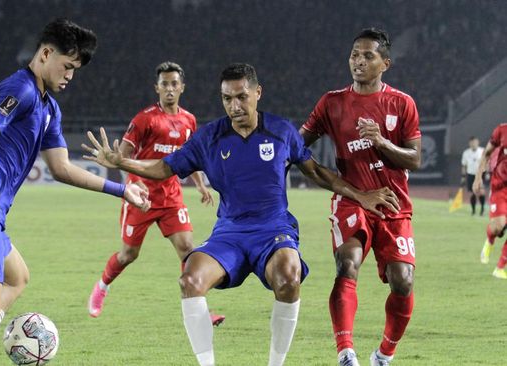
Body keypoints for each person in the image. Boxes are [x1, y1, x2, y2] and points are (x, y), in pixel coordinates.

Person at [84, 63, 400, 366]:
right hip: (230, 234)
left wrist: (361, 195)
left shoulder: (281, 131)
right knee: (190, 279)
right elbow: (165, 167)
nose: (234, 105)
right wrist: (123, 162)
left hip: (274, 230)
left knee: (289, 278)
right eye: (227, 99)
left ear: (257, 92)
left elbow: (317, 172)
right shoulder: (209, 138)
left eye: (241, 97)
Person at [0, 19, 149, 366]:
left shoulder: (49, 109)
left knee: (17, 277)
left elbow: (62, 168)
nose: (69, 75)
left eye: (75, 70)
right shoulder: (20, 89)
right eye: (67, 66)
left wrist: (122, 189)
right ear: (46, 53)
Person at [300, 28, 421, 366]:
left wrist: (382, 142)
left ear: (386, 63)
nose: (359, 61)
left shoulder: (402, 103)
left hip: (393, 205)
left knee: (403, 282)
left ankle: (383, 354)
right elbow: (297, 146)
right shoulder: (332, 102)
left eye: (368, 56)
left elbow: (414, 158)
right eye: (355, 54)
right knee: (347, 264)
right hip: (352, 199)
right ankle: (346, 353)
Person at [87, 61, 225, 325]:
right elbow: (123, 157)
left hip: (171, 196)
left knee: (188, 249)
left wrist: (199, 183)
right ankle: (102, 287)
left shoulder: (189, 120)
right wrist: (133, 184)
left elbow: (190, 156)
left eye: (174, 84)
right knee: (129, 255)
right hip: (140, 197)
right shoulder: (145, 119)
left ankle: (199, 312)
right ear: (157, 88)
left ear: (182, 87)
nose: (170, 89)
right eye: (165, 84)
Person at [474, 124, 507, 277]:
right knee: (498, 227)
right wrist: (478, 177)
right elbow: (487, 153)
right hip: (500, 186)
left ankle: (500, 267)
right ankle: (490, 239)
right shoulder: (501, 130)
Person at [461, 136, 486, 215]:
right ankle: (473, 210)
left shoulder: (482, 151)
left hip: (481, 174)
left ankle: (482, 209)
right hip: (470, 174)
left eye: (475, 142)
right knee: (472, 193)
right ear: (469, 143)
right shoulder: (466, 153)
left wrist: (488, 172)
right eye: (472, 142)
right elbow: (464, 165)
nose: (473, 144)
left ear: (477, 142)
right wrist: (463, 177)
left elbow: (487, 162)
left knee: (481, 192)